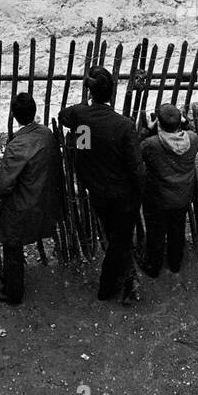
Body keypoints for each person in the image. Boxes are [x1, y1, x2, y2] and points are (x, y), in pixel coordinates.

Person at [60, 66, 145, 304]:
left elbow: (64, 116)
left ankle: (126, 276)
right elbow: (137, 168)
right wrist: (140, 192)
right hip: (123, 195)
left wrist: (85, 104)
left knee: (115, 235)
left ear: (90, 91)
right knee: (121, 239)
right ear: (112, 93)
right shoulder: (124, 125)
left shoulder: (80, 116)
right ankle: (108, 287)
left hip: (96, 191)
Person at [0, 93, 61, 305]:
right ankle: (12, 276)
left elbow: (3, 186)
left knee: (11, 240)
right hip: (44, 199)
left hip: (25, 204)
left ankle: (13, 292)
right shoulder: (47, 134)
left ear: (14, 115)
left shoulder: (17, 145)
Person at [139, 103, 198, 278]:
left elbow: (137, 149)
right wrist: (185, 123)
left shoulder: (152, 144)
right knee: (177, 229)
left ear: (158, 122)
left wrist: (147, 129)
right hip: (182, 197)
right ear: (179, 122)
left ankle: (154, 266)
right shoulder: (192, 139)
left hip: (157, 199)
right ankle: (175, 263)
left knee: (156, 234)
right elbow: (196, 135)